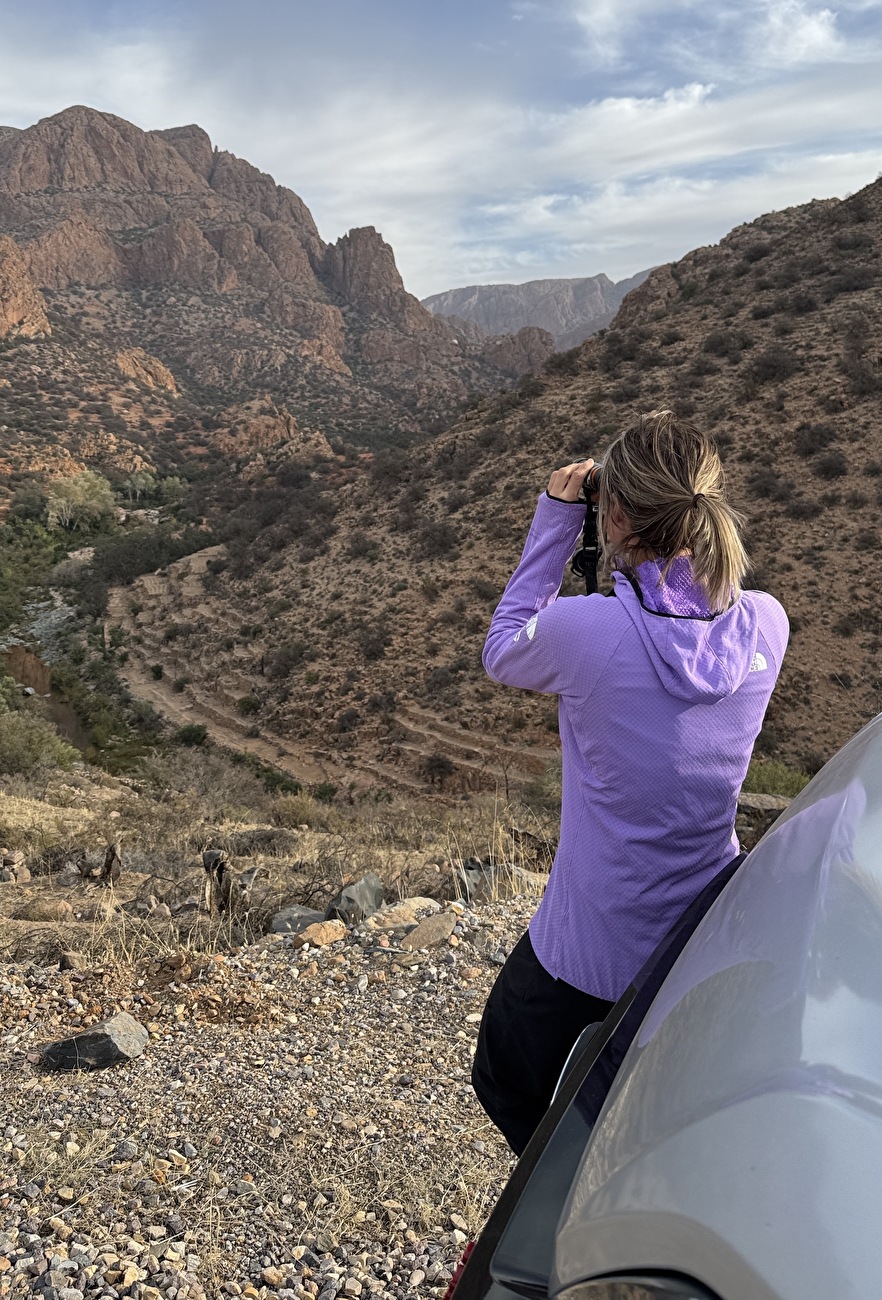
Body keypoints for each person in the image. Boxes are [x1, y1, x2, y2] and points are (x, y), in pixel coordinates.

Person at [471, 409, 789, 1156]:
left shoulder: (588, 634)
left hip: (588, 951)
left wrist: (555, 519)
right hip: (700, 937)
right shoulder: (767, 627)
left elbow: (502, 647)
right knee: (646, 1102)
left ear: (613, 516)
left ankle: (577, 1211)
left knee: (507, 1081)